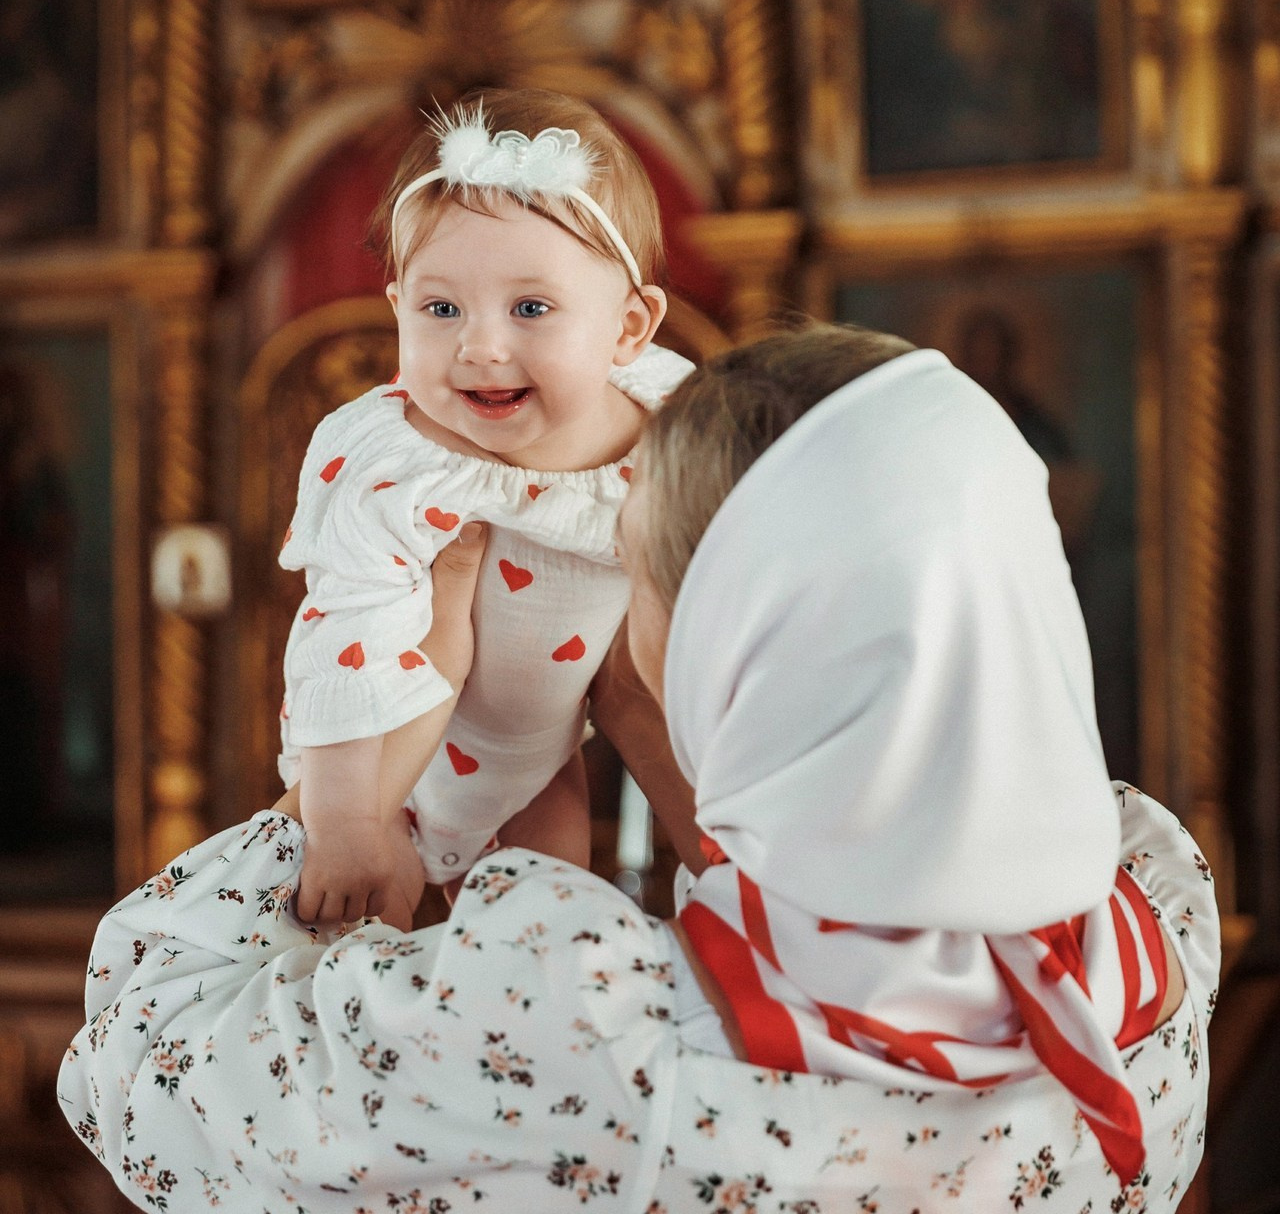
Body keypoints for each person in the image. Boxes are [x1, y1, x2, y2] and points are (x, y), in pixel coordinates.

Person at [59, 323, 1218, 1212]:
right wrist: (676, 767)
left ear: (720, 634)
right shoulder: (1155, 916)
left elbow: (131, 1059)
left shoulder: (587, 1028)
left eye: (632, 567)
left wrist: (359, 782)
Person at [277, 88, 702, 929]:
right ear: (398, 310)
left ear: (629, 328)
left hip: (541, 767)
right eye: (441, 309)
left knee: (539, 953)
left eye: (531, 308)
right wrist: (346, 821)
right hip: (389, 761)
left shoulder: (671, 432)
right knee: (359, 945)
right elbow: (343, 638)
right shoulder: (394, 463)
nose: (480, 347)